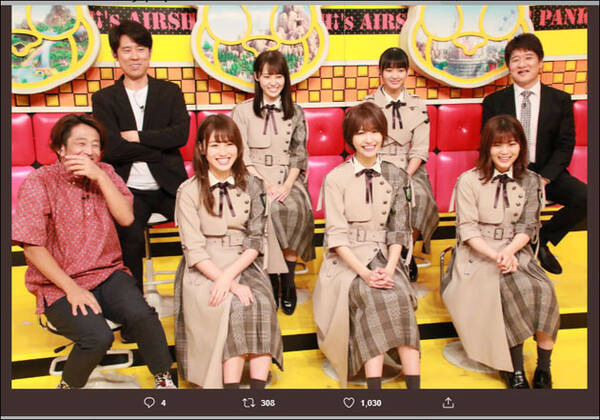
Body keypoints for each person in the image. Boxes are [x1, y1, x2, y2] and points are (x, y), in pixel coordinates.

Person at [12, 114, 176, 389]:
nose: (89, 151)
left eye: (95, 145)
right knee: (97, 337)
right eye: (80, 144)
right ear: (61, 149)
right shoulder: (39, 181)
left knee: (143, 316)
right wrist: (72, 289)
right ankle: (67, 388)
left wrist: (100, 176)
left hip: (108, 273)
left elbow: (126, 218)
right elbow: (32, 247)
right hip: (58, 284)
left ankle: (164, 381)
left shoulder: (106, 173)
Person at [441, 114, 560, 389]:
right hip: (478, 253)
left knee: (543, 291)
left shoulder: (531, 181)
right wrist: (496, 256)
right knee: (507, 290)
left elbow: (528, 225)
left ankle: (544, 367)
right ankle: (514, 369)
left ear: (521, 146)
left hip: (516, 250)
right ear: (487, 147)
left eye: (512, 144)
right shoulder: (469, 180)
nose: (505, 151)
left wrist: (509, 252)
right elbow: (467, 229)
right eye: (497, 145)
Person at [313, 102, 421, 389]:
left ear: (383, 134)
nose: (369, 139)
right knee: (372, 296)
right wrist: (365, 273)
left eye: (374, 131)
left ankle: (415, 389)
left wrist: (390, 268)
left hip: (386, 257)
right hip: (348, 262)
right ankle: (375, 390)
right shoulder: (335, 178)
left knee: (400, 295)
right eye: (361, 133)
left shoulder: (397, 175)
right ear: (350, 139)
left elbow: (399, 230)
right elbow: (336, 237)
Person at [173, 114, 283, 389]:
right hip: (204, 267)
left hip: (243, 262)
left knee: (261, 303)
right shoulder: (188, 190)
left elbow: (256, 240)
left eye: (229, 144)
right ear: (202, 148)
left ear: (238, 147)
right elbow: (193, 249)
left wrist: (230, 278)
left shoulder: (254, 185)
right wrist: (226, 283)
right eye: (215, 145)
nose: (223, 152)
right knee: (232, 305)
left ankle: (257, 391)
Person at [92, 19, 190, 297]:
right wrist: (160, 146)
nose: (134, 56)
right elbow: (112, 150)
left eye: (140, 49)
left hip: (170, 186)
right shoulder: (104, 99)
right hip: (129, 190)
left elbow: (180, 135)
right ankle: (136, 306)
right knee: (130, 240)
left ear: (149, 52)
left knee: (200, 229)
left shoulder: (170, 92)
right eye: (127, 50)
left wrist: (137, 136)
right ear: (116, 55)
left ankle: (198, 293)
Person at [481, 32, 586, 275]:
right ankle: (507, 251)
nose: (522, 64)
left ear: (540, 63)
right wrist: (507, 172)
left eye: (528, 58)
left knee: (586, 198)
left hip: (547, 173)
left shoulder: (560, 100)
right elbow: (488, 144)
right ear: (509, 67)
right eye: (515, 59)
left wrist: (544, 178)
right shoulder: (494, 102)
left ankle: (541, 239)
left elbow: (565, 145)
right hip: (508, 172)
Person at [232, 50, 315, 315]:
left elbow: (299, 154)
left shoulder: (296, 112)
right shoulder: (242, 111)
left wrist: (288, 185)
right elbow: (240, 153)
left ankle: (287, 281)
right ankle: (269, 279)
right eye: (267, 76)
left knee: (295, 209)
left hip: (288, 176)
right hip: (252, 175)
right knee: (267, 210)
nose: (273, 82)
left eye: (278, 76)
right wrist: (265, 184)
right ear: (257, 77)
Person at [364, 47, 439, 282]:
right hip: (376, 163)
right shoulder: (368, 104)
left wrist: (405, 174)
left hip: (410, 165)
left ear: (407, 73)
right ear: (380, 73)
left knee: (419, 198)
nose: (395, 75)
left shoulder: (418, 105)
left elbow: (420, 149)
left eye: (400, 70)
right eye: (389, 70)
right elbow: (363, 143)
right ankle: (379, 251)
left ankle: (407, 251)